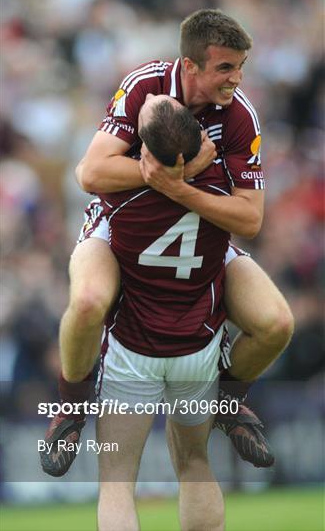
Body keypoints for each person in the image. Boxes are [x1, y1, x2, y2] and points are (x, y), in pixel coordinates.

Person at [41, 9, 294, 479]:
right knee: (89, 300)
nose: (236, 78)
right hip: (120, 229)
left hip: (201, 241)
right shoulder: (144, 87)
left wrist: (178, 188)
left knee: (277, 323)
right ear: (191, 65)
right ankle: (71, 404)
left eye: (241, 66)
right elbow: (89, 174)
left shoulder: (241, 115)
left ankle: (228, 400)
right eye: (225, 68)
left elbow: (251, 217)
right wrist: (173, 173)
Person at [99, 94, 228, 531]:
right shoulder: (221, 188)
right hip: (196, 344)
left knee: (116, 480)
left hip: (134, 346)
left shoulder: (117, 197)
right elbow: (250, 220)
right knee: (195, 463)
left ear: (146, 154)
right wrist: (192, 169)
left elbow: (88, 171)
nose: (154, 94)